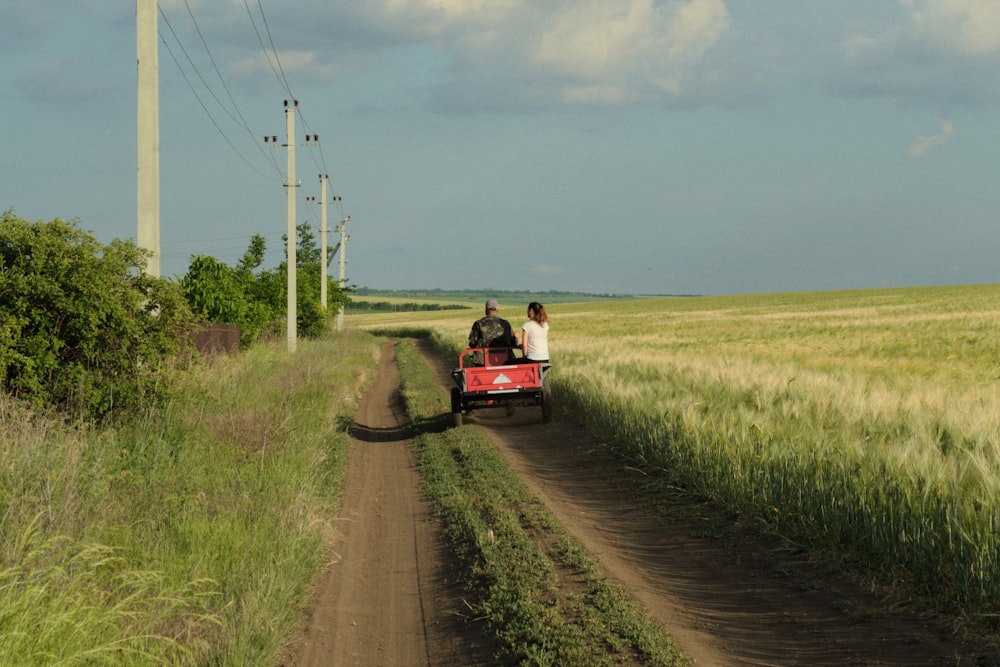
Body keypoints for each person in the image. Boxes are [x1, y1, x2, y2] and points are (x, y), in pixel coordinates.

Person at [468, 298, 517, 365]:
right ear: (497, 310)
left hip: (482, 361)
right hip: (506, 360)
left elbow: (472, 343)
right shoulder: (505, 324)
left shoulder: (479, 323)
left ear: (486, 310)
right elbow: (513, 343)